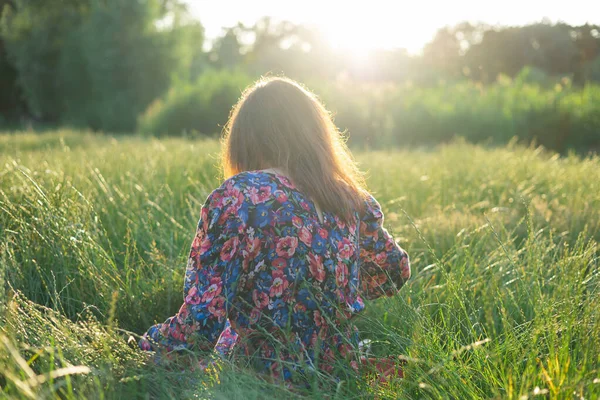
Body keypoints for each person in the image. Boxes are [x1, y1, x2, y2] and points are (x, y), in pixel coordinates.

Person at [139, 77, 411, 385]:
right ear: (315, 135)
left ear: (245, 139)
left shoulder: (241, 198)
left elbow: (202, 322)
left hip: (259, 374)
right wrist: (329, 282)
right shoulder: (351, 200)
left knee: (224, 340)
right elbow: (395, 271)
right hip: (338, 373)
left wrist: (143, 348)